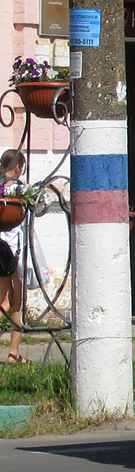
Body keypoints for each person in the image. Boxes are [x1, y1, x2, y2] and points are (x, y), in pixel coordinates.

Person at [0, 149, 28, 363]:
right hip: (13, 250)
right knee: (16, 303)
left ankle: (15, 353)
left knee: (4, 300)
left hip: (1, 248)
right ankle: (13, 353)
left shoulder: (0, 188)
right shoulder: (19, 191)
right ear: (17, 167)